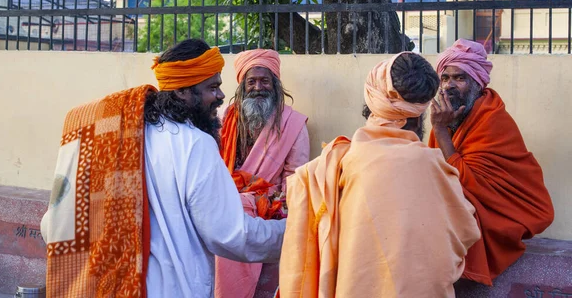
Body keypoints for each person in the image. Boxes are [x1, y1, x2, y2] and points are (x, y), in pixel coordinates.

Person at [41, 39, 286, 298]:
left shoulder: (115, 136)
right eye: (212, 87)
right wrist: (291, 232)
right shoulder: (194, 143)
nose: (221, 96)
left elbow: (52, 224)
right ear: (182, 92)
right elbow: (230, 234)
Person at [279, 52, 480, 298]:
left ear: (372, 100)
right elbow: (465, 230)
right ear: (421, 113)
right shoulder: (431, 164)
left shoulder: (339, 163)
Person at [429, 38, 554, 286]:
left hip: (497, 214)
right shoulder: (445, 117)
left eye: (459, 78)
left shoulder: (492, 119)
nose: (449, 86)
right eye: (445, 78)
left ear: (477, 83)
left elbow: (470, 183)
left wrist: (441, 132)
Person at [216, 49, 309, 298]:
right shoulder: (224, 119)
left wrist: (277, 206)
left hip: (269, 210)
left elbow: (295, 177)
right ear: (242, 86)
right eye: (252, 81)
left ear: (275, 84)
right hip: (226, 204)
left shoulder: (293, 124)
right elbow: (213, 165)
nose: (258, 87)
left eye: (264, 81)